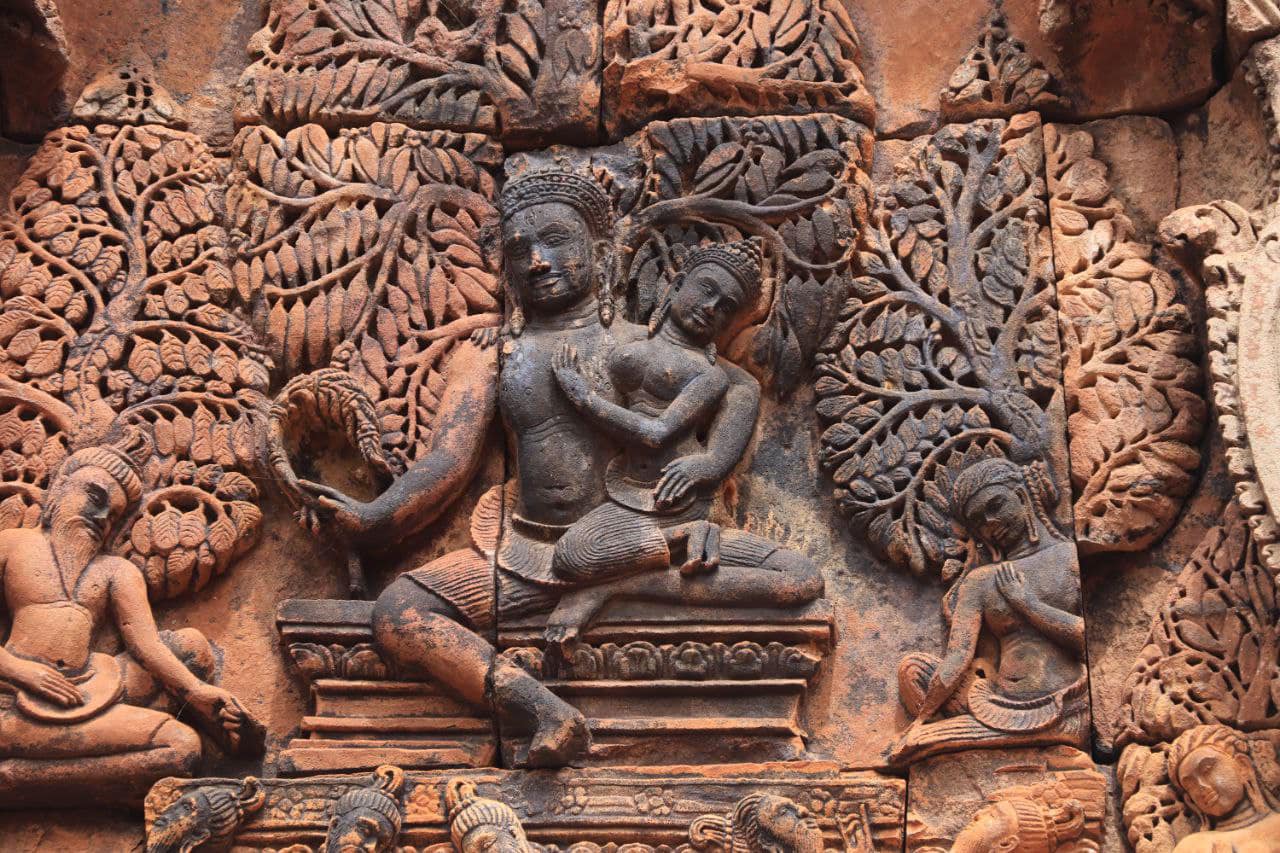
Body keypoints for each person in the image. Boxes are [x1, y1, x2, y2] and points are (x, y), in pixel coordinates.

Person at [303, 167, 823, 768]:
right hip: (523, 555)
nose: (537, 261)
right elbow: (446, 463)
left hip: (634, 544)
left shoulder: (642, 350)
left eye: (555, 241)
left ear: (599, 253)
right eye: (519, 248)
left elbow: (692, 446)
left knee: (793, 583)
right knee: (398, 613)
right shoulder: (492, 353)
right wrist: (372, 521)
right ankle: (543, 709)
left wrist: (701, 512)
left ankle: (616, 587)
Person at [0, 435, 259, 807]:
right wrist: (23, 672)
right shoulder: (12, 545)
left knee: (182, 746)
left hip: (85, 693)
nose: (101, 518)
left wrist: (197, 692)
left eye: (114, 515)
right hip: (11, 701)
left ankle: (20, 778)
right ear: (58, 491)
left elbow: (146, 645)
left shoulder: (115, 571)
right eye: (94, 497)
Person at [890, 456, 1087, 766]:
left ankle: (1026, 746)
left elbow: (1085, 639)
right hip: (996, 704)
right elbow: (958, 658)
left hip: (1066, 705)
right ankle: (979, 741)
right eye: (979, 521)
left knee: (923, 744)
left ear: (1021, 497)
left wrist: (1027, 604)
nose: (991, 524)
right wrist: (922, 718)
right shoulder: (981, 581)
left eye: (996, 506)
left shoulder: (1068, 559)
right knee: (914, 669)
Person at [1166, 725, 1280, 852]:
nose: (1201, 785)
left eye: (1207, 769)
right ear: (1190, 801)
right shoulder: (1193, 847)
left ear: (1243, 766)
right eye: (1190, 785)